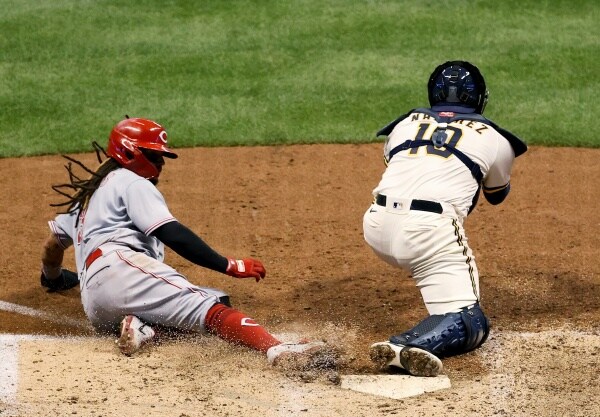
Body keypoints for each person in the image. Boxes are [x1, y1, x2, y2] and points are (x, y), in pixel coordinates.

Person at [40, 117, 330, 366]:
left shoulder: (87, 197)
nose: (160, 163)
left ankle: (144, 329)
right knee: (209, 307)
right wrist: (228, 265)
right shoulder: (131, 182)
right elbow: (172, 233)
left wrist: (53, 278)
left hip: (96, 307)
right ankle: (278, 350)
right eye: (154, 155)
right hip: (122, 270)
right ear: (129, 152)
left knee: (217, 299)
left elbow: (52, 246)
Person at [363, 60, 527, 377]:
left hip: (376, 225)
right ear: (480, 99)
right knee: (471, 321)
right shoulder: (496, 139)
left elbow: (405, 167)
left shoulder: (403, 124)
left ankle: (421, 333)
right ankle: (409, 344)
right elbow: (496, 194)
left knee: (438, 285)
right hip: (428, 234)